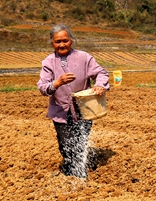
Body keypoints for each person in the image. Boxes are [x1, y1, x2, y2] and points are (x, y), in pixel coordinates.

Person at [37, 25, 110, 178]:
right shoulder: (48, 63)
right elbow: (43, 87)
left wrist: (100, 85)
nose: (62, 44)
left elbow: (101, 73)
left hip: (84, 109)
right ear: (52, 43)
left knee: (80, 141)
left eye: (65, 40)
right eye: (58, 42)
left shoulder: (84, 58)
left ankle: (77, 173)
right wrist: (57, 83)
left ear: (71, 41)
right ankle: (72, 169)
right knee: (65, 144)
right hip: (61, 111)